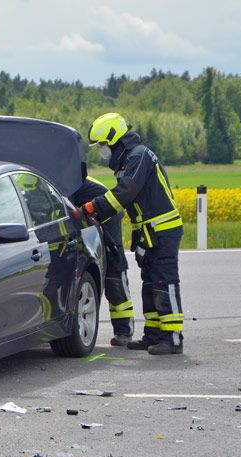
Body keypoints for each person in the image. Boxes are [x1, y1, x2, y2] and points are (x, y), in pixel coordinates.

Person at [79, 112, 184, 355]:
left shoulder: (139, 156)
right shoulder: (129, 159)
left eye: (103, 145)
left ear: (114, 139)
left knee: (164, 283)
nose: (102, 150)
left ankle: (173, 338)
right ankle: (154, 334)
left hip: (163, 230)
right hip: (148, 232)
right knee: (150, 284)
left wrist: (93, 207)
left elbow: (126, 192)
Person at [72, 166, 134, 346]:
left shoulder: (69, 181)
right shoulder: (63, 175)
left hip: (108, 215)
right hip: (95, 215)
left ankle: (124, 330)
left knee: (114, 268)